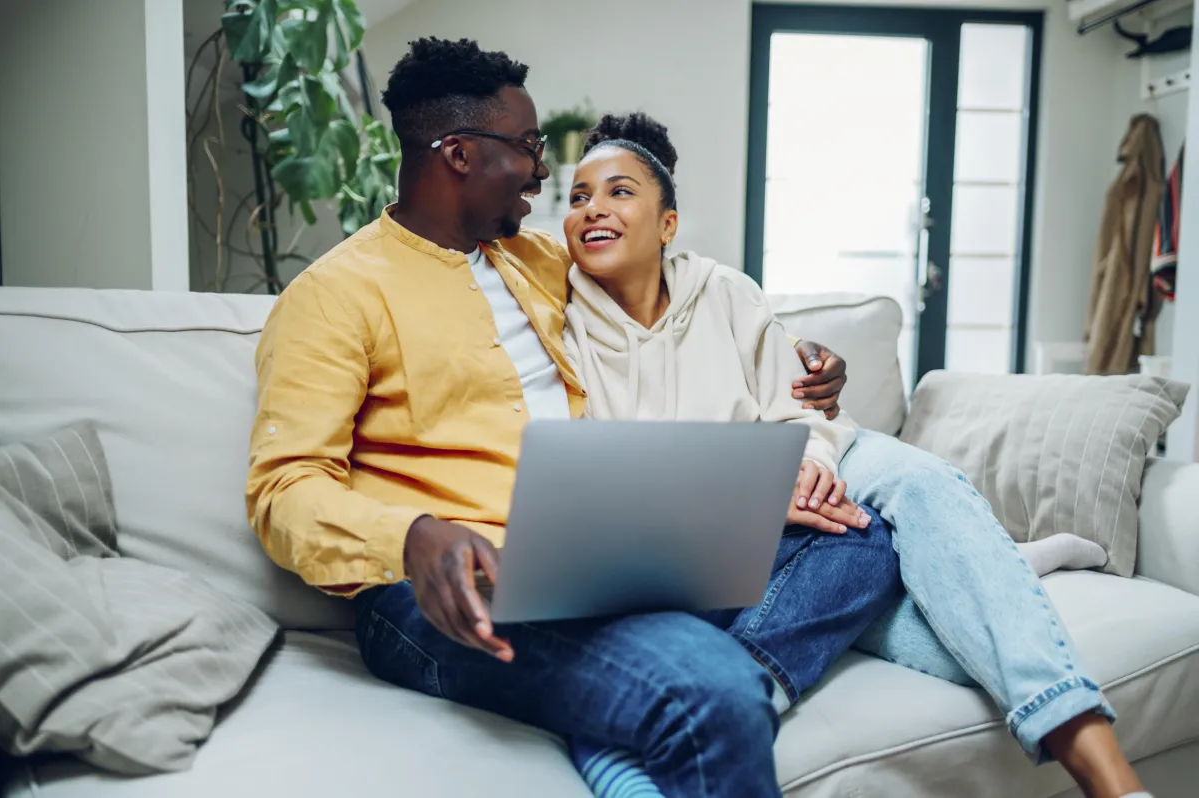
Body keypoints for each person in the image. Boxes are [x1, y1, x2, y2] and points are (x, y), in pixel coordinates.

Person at [246, 38, 902, 798]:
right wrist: (412, 536)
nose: (545, 171)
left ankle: (644, 704)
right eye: (526, 146)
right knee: (711, 688)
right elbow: (282, 490)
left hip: (602, 556)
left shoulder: (536, 262)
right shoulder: (335, 295)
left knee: (864, 541)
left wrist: (804, 360)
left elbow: (673, 289)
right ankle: (701, 692)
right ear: (458, 153)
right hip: (446, 591)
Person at [556, 111, 1149, 798]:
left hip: (804, 466)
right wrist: (753, 496)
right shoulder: (556, 323)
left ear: (668, 224)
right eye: (578, 196)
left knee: (908, 499)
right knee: (882, 561)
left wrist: (807, 464)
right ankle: (989, 561)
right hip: (712, 524)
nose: (593, 207)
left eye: (619, 191)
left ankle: (1107, 772)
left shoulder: (724, 291)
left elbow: (798, 407)